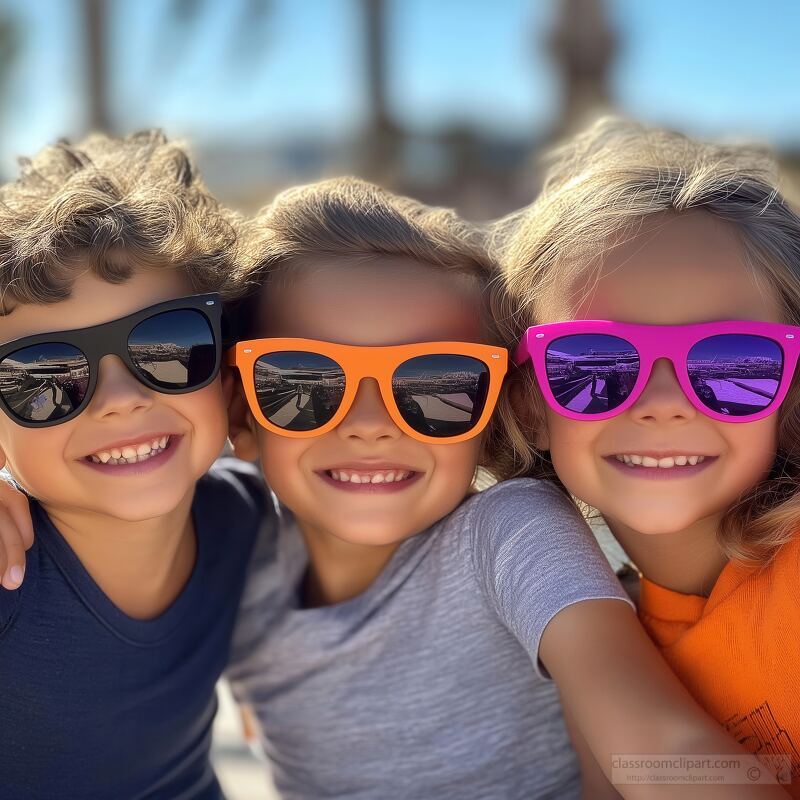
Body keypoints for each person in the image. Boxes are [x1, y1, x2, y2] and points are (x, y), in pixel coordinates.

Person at [223, 178, 784, 799]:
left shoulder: (511, 533)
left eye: (437, 386)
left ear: (497, 409)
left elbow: (654, 750)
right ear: (240, 416)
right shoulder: (228, 559)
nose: (371, 425)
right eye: (304, 383)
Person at [495, 117, 800, 796]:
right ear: (528, 406)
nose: (663, 403)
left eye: (735, 362)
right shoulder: (598, 637)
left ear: (790, 393)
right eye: (594, 362)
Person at [0, 131, 270, 799]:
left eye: (168, 344)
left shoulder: (249, 518)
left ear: (230, 371)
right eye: (46, 375)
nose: (120, 401)